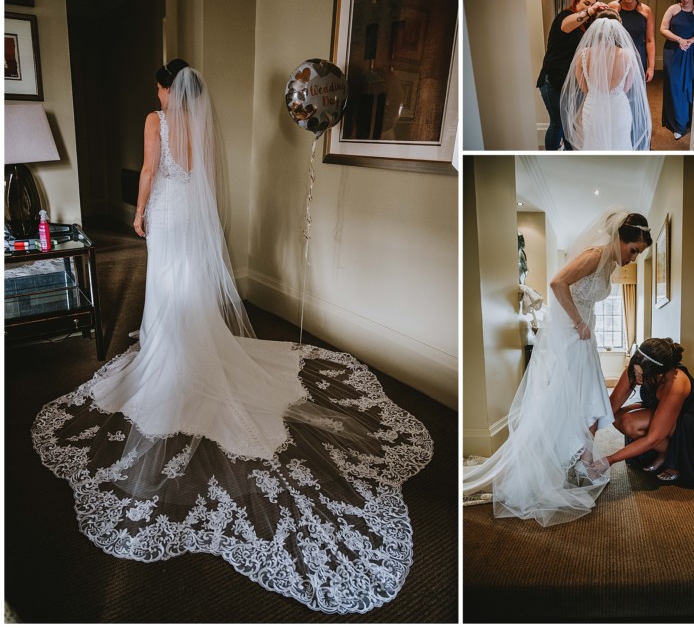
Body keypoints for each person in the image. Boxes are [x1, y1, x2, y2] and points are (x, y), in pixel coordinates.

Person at [31, 60, 433, 614]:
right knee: (191, 285)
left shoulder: (158, 119)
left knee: (169, 287)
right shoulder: (200, 122)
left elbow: (150, 172)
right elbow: (207, 181)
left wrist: (140, 213)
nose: (159, 94)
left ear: (166, 89)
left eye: (159, 87)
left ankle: (170, 350)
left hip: (169, 214)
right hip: (194, 218)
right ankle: (190, 343)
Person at [463, 209, 652, 526]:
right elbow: (557, 282)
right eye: (633, 250)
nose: (633, 259)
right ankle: (572, 462)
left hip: (583, 340)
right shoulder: (594, 254)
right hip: (571, 337)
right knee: (568, 403)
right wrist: (579, 322)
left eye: (638, 254)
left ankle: (581, 461)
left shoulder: (607, 265)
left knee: (587, 401)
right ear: (620, 239)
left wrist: (585, 326)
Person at [606, 338, 694, 488]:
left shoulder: (675, 383)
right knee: (619, 417)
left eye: (642, 375)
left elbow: (653, 438)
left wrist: (610, 460)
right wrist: (585, 435)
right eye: (635, 371)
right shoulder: (637, 368)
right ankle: (668, 453)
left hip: (692, 420)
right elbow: (608, 409)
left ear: (658, 374)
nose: (638, 378)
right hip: (666, 412)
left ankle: (673, 458)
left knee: (631, 424)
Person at [560, 10, 652, 150]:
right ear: (618, 29)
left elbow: (583, 87)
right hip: (619, 109)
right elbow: (626, 88)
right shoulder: (628, 56)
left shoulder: (583, 55)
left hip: (593, 110)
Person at [536, 0, 610, 150]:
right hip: (552, 80)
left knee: (570, 123)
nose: (588, 7)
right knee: (558, 124)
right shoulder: (565, 17)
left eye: (591, 4)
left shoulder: (585, 26)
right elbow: (566, 26)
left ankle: (570, 153)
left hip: (569, 82)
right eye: (585, 3)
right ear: (576, 1)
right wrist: (590, 10)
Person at [660, 0, 694, 140]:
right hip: (672, 51)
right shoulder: (673, 9)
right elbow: (663, 29)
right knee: (674, 86)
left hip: (688, 52)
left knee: (687, 86)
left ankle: (683, 121)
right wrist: (679, 40)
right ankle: (674, 122)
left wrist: (691, 40)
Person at [608, 0, 656, 82]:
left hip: (638, 56)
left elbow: (650, 40)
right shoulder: (612, 7)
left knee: (636, 91)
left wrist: (651, 66)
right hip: (617, 56)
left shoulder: (646, 11)